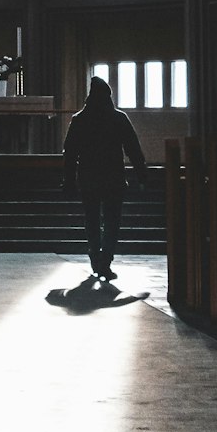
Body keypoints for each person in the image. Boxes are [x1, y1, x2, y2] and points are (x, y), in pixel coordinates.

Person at [62, 76, 147, 281]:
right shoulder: (118, 118)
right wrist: (142, 175)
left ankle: (94, 256)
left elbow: (70, 153)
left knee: (91, 219)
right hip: (114, 178)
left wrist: (69, 180)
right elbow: (133, 149)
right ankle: (106, 260)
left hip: (88, 178)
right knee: (112, 221)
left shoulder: (79, 119)